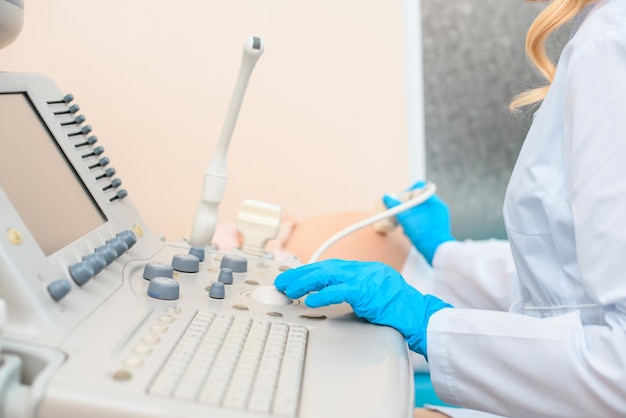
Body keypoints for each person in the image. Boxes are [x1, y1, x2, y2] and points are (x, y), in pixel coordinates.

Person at [274, 0, 626, 417]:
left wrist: (430, 324)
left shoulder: (610, 40)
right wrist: (446, 255)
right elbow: (573, 282)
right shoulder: (602, 35)